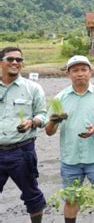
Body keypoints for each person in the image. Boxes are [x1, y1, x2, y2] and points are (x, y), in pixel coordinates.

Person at [45, 55, 94, 223]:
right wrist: (54, 120)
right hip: (70, 159)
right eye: (75, 70)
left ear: (90, 72)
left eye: (84, 69)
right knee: (71, 199)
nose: (80, 74)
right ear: (68, 74)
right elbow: (49, 131)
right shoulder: (59, 98)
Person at [0, 47, 47, 223]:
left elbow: (43, 114)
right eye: (10, 59)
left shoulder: (33, 88)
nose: (15, 62)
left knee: (32, 195)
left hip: (22, 151)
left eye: (19, 60)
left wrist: (32, 122)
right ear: (1, 62)